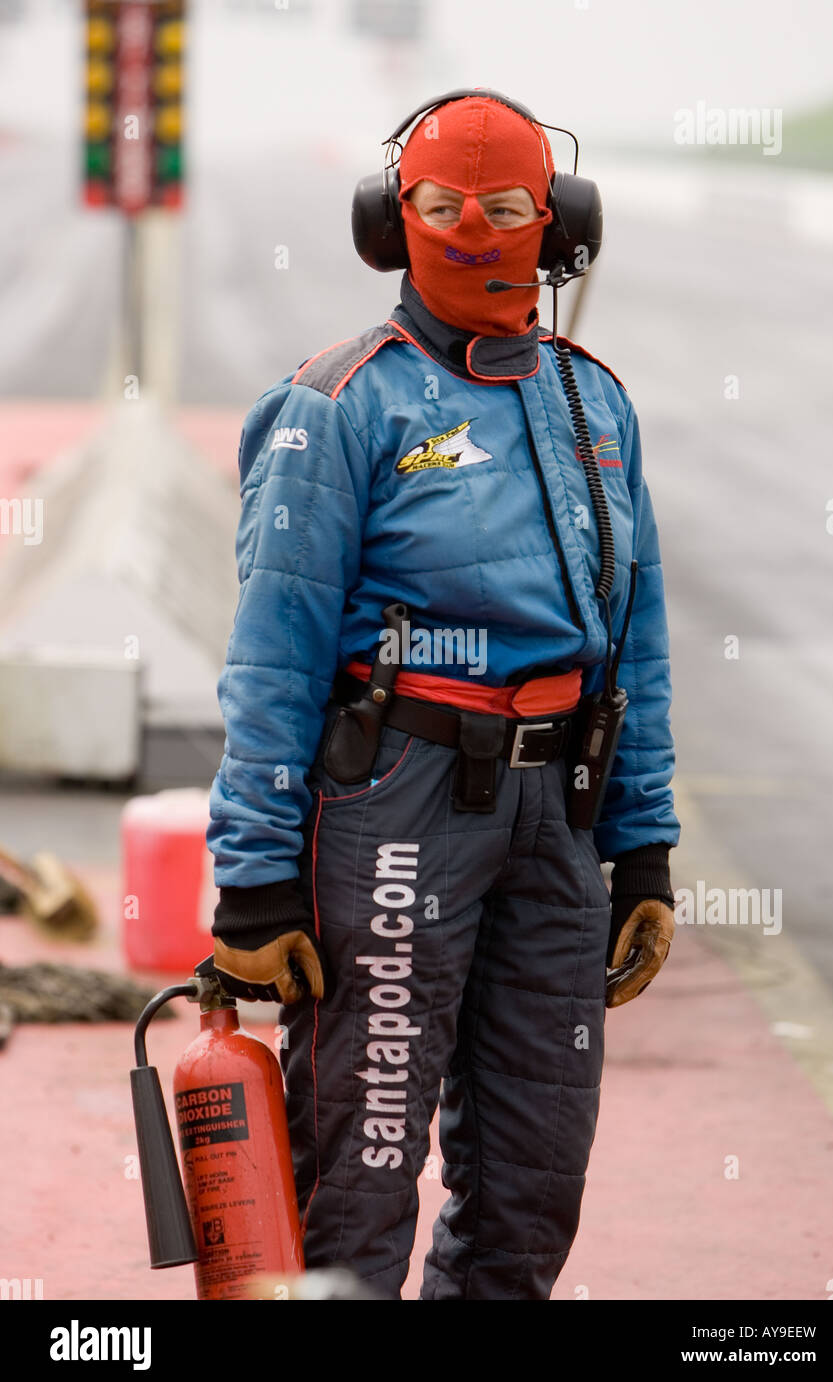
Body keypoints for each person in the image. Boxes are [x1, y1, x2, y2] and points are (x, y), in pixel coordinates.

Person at [206, 90, 680, 1301]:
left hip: (558, 819)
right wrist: (254, 877)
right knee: (354, 1183)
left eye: (507, 209)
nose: (473, 235)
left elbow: (635, 640)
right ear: (390, 219)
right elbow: (273, 653)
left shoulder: (595, 404)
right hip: (394, 812)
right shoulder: (336, 403)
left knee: (531, 1187)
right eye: (437, 207)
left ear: (556, 224)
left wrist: (642, 852)